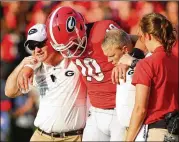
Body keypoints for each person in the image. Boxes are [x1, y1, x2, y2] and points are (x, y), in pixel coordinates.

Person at [46, 6, 144, 141]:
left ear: (79, 28)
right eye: (65, 47)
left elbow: (141, 40)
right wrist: (28, 66)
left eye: (72, 45)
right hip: (95, 111)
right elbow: (45, 56)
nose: (70, 51)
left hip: (120, 110)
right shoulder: (67, 45)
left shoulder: (103, 30)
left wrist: (126, 60)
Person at [5, 24, 87, 142]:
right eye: (32, 46)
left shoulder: (74, 62)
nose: (37, 50)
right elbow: (10, 91)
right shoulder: (35, 69)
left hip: (72, 137)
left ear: (53, 41)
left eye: (40, 44)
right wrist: (22, 64)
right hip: (41, 136)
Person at [125, 13, 178, 141]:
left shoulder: (146, 64)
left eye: (141, 37)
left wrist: (128, 139)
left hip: (157, 131)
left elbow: (140, 109)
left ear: (148, 35)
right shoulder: (176, 61)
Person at [101, 29, 145, 140]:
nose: (108, 60)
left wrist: (132, 58)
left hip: (141, 129)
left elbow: (142, 39)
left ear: (125, 50)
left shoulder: (144, 61)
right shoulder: (119, 63)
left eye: (112, 55)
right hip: (126, 129)